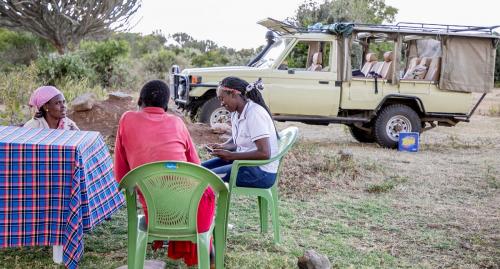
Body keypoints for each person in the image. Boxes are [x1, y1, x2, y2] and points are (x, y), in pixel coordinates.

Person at [113, 80, 214, 267]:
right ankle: (205, 249)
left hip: (154, 211)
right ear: (166, 105)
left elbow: (121, 176)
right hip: (188, 208)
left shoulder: (126, 119)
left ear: (140, 100)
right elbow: (196, 167)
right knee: (205, 194)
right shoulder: (177, 122)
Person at [202, 76, 279, 188]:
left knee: (204, 177)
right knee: (199, 170)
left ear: (233, 94)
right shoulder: (236, 112)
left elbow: (264, 153)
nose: (221, 104)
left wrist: (231, 156)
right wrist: (223, 146)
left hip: (260, 172)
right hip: (243, 164)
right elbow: (239, 140)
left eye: (222, 98)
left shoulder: (254, 114)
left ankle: (199, 205)